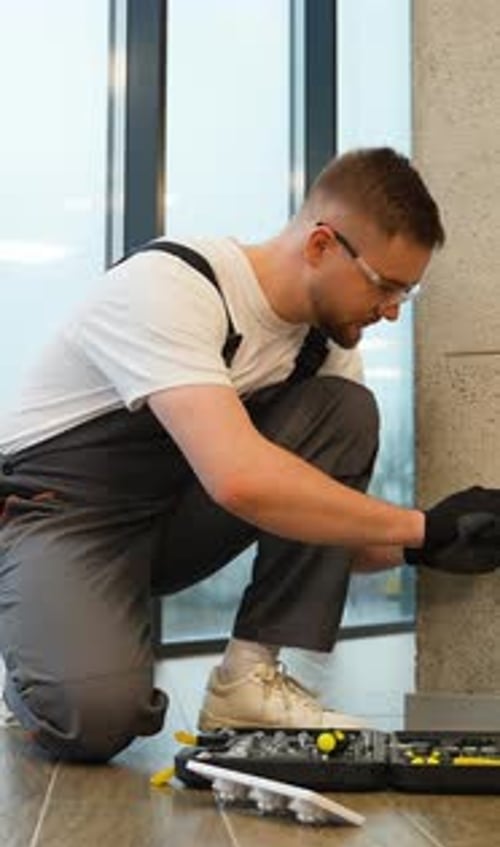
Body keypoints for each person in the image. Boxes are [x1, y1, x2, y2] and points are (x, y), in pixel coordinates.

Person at [1, 147, 500, 763]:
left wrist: (433, 541)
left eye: (407, 291)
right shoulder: (174, 285)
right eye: (385, 285)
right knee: (93, 721)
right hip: (63, 514)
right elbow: (241, 481)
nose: (393, 310)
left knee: (344, 409)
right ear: (321, 245)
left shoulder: (324, 353)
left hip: (171, 521)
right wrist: (417, 525)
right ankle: (32, 655)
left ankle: (248, 677)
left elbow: (325, 528)